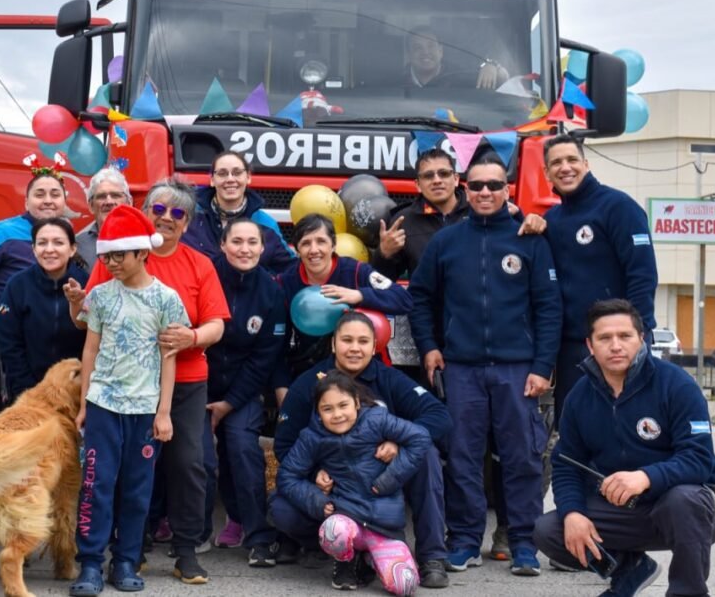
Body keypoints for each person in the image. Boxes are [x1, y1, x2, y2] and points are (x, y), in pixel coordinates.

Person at [408, 154, 561, 577]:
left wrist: (542, 365)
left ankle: (524, 544)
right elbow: (420, 298)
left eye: (494, 185)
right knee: (461, 458)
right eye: (477, 186)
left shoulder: (530, 239)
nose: (485, 193)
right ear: (464, 188)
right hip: (461, 368)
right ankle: (464, 541)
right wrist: (428, 346)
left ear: (507, 189)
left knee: (523, 458)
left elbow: (549, 307)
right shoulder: (446, 242)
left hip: (519, 370)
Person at [77, 177, 229, 584]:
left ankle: (185, 550)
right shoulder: (115, 258)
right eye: (158, 209)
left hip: (184, 380)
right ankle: (130, 553)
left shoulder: (200, 264)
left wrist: (191, 337)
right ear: (144, 214)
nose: (166, 218)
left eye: (177, 213)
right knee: (113, 474)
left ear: (188, 222)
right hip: (120, 386)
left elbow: (216, 324)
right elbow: (89, 320)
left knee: (186, 463)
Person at [533, 299, 715, 597]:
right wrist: (573, 513)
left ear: (641, 338)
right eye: (604, 338)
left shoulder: (676, 385)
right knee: (549, 531)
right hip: (625, 510)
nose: (615, 345)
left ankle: (688, 592)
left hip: (694, 506)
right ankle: (629, 571)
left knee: (682, 500)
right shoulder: (579, 397)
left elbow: (699, 460)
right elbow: (566, 465)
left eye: (625, 336)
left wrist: (645, 477)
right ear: (590, 345)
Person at [273, 311, 453, 589]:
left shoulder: (389, 379)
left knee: (426, 452)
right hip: (335, 489)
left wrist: (398, 442)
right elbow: (284, 445)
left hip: (381, 484)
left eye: (363, 341)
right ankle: (337, 551)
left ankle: (431, 556)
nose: (354, 348)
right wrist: (313, 474)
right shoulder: (309, 383)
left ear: (374, 346)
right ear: (333, 344)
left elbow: (438, 415)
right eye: (346, 340)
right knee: (281, 508)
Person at [69, 205, 188, 597]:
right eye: (107, 256)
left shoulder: (166, 299)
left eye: (120, 255)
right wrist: (85, 403)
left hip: (144, 409)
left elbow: (169, 356)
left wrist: (164, 412)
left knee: (138, 489)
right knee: (96, 484)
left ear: (143, 253)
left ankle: (125, 560)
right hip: (104, 405)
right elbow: (90, 350)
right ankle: (89, 563)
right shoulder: (100, 296)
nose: (112, 262)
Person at [277, 373, 430, 596]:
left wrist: (390, 478)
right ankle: (346, 560)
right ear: (318, 413)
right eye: (327, 409)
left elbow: (420, 438)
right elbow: (287, 476)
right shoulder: (312, 437)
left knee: (405, 587)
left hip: (384, 526)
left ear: (357, 403)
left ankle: (370, 559)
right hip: (347, 518)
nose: (337, 414)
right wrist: (317, 500)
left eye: (343, 405)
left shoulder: (377, 420)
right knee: (332, 531)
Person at [541, 134, 658, 425]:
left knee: (629, 423)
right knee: (577, 429)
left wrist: (637, 334)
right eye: (556, 162)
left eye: (571, 160)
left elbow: (642, 274)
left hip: (617, 341)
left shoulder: (618, 207)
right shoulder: (552, 219)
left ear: (586, 163)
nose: (565, 167)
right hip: (572, 347)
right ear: (546, 172)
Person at [202, 219, 286, 566]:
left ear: (263, 248)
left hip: (242, 391)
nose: (245, 249)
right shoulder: (204, 277)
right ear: (223, 245)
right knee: (201, 459)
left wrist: (229, 403)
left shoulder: (271, 292)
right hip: (196, 387)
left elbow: (264, 358)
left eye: (252, 242)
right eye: (237, 241)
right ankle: (193, 529)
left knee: (242, 450)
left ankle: (258, 536)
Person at [0, 168, 68, 416]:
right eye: (40, 194)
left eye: (54, 194)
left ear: (64, 201)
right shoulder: (2, 234)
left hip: (24, 350)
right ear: (26, 201)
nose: (48, 199)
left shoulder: (66, 240)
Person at [275, 213, 416, 397]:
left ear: (333, 245)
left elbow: (403, 300)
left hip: (366, 370)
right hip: (313, 373)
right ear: (297, 250)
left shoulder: (356, 271)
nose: (314, 250)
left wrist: (359, 295)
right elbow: (277, 346)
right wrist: (282, 390)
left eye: (321, 241)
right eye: (306, 243)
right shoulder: (286, 282)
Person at [0, 218, 88, 404]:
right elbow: (9, 344)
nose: (49, 249)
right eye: (42, 243)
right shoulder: (17, 285)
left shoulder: (86, 284)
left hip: (75, 392)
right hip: (27, 392)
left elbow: (94, 342)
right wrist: (30, 390)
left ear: (72, 249)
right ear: (33, 249)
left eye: (58, 242)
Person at [182, 151, 297, 275]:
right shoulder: (187, 217)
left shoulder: (266, 224)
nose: (230, 179)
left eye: (237, 173)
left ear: (248, 177)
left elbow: (290, 269)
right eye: (222, 174)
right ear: (212, 180)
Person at [405, 28, 508, 90]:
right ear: (409, 55)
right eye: (417, 47)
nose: (425, 52)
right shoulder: (394, 81)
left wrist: (492, 66)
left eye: (431, 46)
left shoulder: (460, 76)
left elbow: (503, 79)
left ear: (441, 51)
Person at [75, 167, 132, 269]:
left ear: (129, 203)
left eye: (115, 195)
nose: (109, 202)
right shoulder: (77, 246)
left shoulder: (145, 241)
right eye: (101, 196)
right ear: (91, 206)